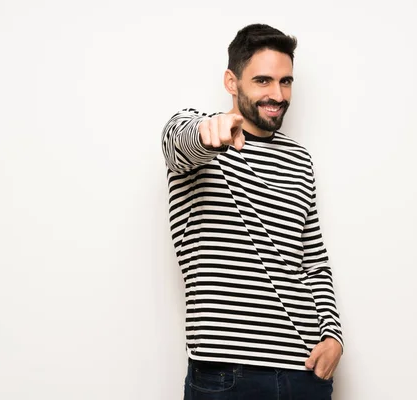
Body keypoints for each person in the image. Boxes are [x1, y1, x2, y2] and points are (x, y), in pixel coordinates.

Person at [161, 23, 343, 400]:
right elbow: (177, 140)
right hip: (226, 374)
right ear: (232, 81)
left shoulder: (299, 160)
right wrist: (210, 132)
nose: (277, 94)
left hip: (305, 371)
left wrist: (332, 336)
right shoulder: (203, 136)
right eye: (263, 81)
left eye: (286, 81)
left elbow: (312, 261)